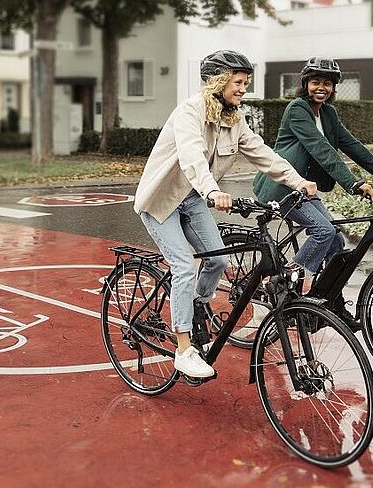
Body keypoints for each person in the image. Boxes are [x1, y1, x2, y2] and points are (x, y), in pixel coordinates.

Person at [133, 50, 317, 379]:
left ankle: (196, 304)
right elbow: (192, 156)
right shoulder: (190, 111)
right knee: (183, 266)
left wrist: (297, 180)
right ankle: (184, 349)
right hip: (161, 203)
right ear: (219, 81)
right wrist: (212, 191)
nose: (244, 88)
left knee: (218, 261)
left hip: (191, 200)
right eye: (239, 82)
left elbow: (262, 154)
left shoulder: (234, 119)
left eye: (246, 82)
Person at [253, 57, 373, 294]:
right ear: (305, 84)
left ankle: (324, 298)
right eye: (315, 82)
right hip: (283, 186)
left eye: (327, 83)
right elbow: (321, 149)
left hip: (306, 188)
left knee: (335, 239)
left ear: (334, 87)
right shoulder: (297, 109)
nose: (321, 88)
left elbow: (352, 145)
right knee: (323, 231)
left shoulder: (328, 114)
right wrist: (354, 183)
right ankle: (280, 281)